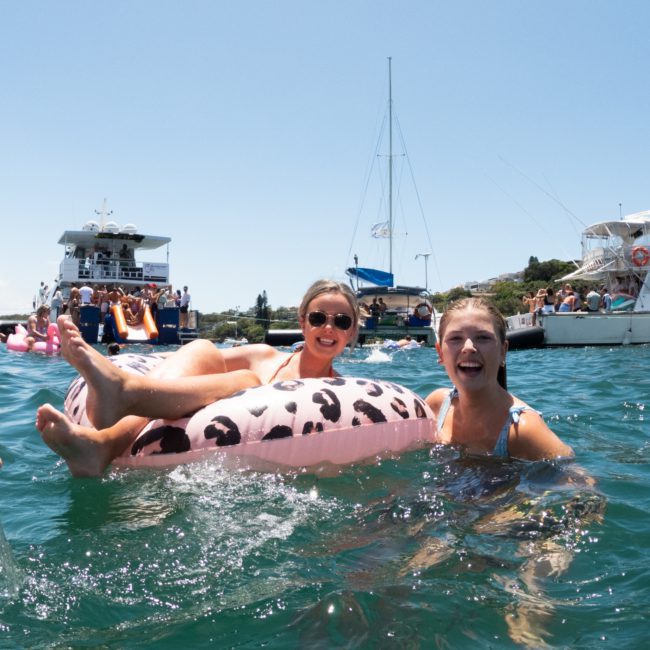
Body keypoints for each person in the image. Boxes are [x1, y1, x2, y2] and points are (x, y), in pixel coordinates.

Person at [36, 279, 360, 477]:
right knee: (205, 348)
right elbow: (187, 361)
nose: (328, 327)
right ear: (303, 322)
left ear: (352, 332)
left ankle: (121, 401)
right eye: (318, 318)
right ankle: (107, 428)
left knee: (246, 380)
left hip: (239, 467)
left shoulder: (345, 400)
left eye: (341, 321)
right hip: (181, 409)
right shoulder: (264, 356)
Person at [425, 297, 573, 461]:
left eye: (482, 338)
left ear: (503, 351)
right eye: (455, 338)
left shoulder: (523, 430)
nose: (468, 348)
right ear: (440, 353)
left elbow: (580, 481)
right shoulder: (436, 406)